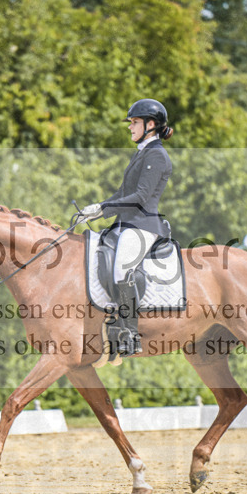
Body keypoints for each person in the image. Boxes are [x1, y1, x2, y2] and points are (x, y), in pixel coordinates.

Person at [81, 98, 173, 356]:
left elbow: (141, 197)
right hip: (126, 223)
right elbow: (123, 192)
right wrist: (96, 210)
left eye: (134, 122)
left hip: (143, 224)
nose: (130, 127)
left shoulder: (156, 154)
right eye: (131, 123)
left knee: (123, 267)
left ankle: (129, 333)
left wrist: (103, 208)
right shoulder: (142, 153)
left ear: (151, 125)